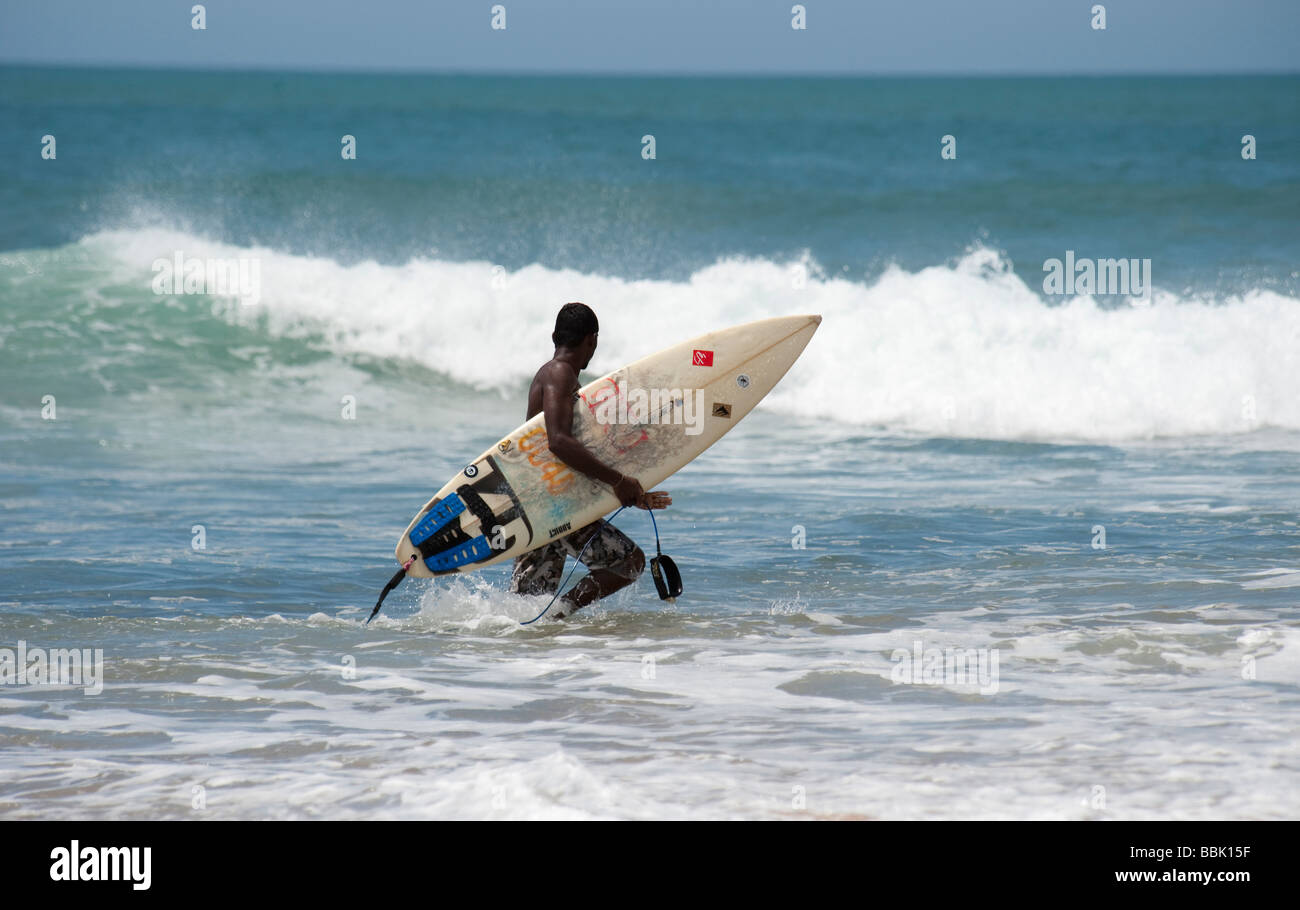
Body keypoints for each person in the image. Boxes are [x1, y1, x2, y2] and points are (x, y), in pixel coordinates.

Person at [508, 302, 670, 617]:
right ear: (591, 340)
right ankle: (562, 612)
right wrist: (619, 481)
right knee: (629, 562)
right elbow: (559, 442)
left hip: (539, 502)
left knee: (524, 613)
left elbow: (570, 457)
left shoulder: (552, 375)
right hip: (555, 504)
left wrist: (628, 493)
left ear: (554, 335)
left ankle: (521, 641)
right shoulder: (559, 373)